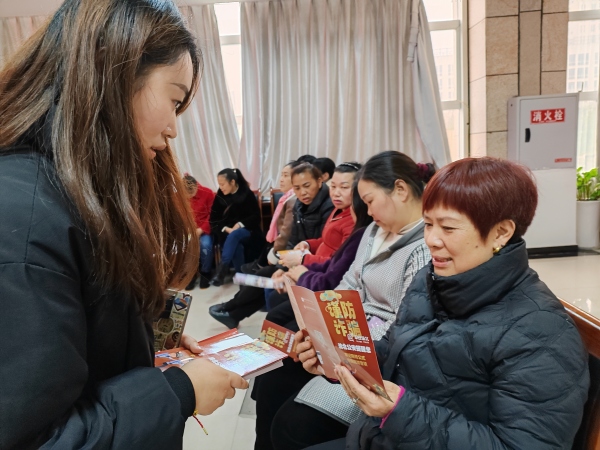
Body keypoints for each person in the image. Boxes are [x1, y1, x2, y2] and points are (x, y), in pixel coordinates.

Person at [0, 1, 248, 449]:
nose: (174, 129)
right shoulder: (25, 218)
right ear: (113, 75)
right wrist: (179, 391)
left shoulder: (67, 191)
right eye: (174, 99)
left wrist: (149, 347)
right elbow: (37, 438)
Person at [299, 157, 590, 450]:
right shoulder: (431, 280)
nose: (431, 240)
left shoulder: (540, 333)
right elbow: (394, 351)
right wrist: (338, 356)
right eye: (427, 224)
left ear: (501, 232)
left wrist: (398, 412)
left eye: (448, 228)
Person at [255, 151, 434, 450]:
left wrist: (338, 343)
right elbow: (347, 285)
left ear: (400, 191)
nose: (364, 209)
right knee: (273, 374)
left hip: (374, 355)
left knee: (292, 426)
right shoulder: (374, 232)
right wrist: (320, 327)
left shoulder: (423, 248)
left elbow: (402, 325)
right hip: (344, 336)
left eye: (370, 200)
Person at [208, 162, 336, 329]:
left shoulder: (328, 206)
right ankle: (232, 311)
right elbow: (293, 240)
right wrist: (283, 267)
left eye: (306, 186)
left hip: (309, 263)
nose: (302, 192)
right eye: (297, 187)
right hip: (295, 256)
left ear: (320, 181)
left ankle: (231, 308)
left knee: (266, 276)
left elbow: (318, 246)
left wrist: (287, 267)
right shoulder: (298, 203)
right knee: (265, 272)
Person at [209, 167, 264, 286]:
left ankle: (222, 269)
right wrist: (225, 228)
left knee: (236, 234)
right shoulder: (220, 196)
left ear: (232, 182)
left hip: (248, 231)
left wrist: (239, 224)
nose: (221, 187)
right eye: (219, 184)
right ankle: (242, 279)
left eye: (223, 184)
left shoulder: (246, 193)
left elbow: (255, 217)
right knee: (236, 244)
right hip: (227, 234)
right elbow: (214, 219)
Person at [243, 161, 298, 274]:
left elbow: (286, 233)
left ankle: (257, 266)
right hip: (278, 244)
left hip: (285, 249)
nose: (281, 179)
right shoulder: (286, 198)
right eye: (281, 175)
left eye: (286, 175)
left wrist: (274, 252)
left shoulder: (293, 200)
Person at [183, 174, 215, 290]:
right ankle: (190, 274)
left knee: (205, 245)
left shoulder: (207, 193)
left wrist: (201, 229)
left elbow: (212, 216)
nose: (189, 196)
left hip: (204, 229)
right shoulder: (180, 195)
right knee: (184, 247)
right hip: (188, 230)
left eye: (191, 193)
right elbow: (180, 215)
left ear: (197, 186)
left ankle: (205, 272)